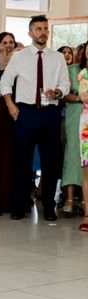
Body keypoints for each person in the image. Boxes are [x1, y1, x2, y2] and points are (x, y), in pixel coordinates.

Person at [0, 15, 70, 221]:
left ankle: (48, 206)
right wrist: (11, 105)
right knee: (22, 162)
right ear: (30, 33)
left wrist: (57, 92)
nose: (42, 32)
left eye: (45, 28)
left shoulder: (57, 58)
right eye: (38, 29)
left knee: (50, 162)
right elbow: (5, 83)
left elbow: (65, 84)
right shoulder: (20, 56)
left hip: (50, 113)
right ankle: (19, 205)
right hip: (26, 113)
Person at [0, 32, 17, 213]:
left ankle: (12, 198)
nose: (8, 45)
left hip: (15, 110)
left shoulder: (19, 61)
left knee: (13, 155)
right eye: (4, 42)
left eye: (11, 42)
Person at [60, 44, 83, 217]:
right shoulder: (70, 70)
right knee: (73, 154)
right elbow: (63, 93)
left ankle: (83, 199)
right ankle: (69, 199)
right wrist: (80, 98)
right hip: (75, 115)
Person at [77, 48, 88, 231]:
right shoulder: (84, 74)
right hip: (87, 125)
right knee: (87, 171)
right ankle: (87, 214)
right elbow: (84, 96)